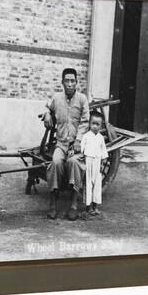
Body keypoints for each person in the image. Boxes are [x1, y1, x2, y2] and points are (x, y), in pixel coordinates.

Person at [42, 68, 89, 220]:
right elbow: (47, 106)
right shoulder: (57, 98)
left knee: (75, 162)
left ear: (76, 83)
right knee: (55, 162)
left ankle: (74, 204)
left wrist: (78, 140)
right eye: (67, 81)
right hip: (61, 144)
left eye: (72, 81)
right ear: (62, 82)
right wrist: (48, 113)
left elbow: (85, 121)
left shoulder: (82, 99)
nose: (69, 84)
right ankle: (53, 204)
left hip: (76, 144)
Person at [80, 111, 109, 215]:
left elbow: (104, 151)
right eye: (93, 123)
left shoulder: (101, 138)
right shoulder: (86, 136)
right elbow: (81, 150)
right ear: (89, 124)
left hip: (97, 162)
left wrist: (102, 162)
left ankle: (95, 206)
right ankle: (88, 207)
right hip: (88, 161)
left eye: (98, 124)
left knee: (97, 184)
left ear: (101, 126)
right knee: (88, 183)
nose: (95, 126)